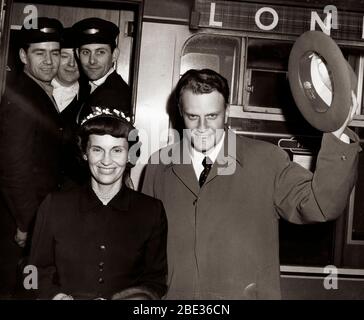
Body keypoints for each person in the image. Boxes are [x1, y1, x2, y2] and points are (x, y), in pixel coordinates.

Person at [141, 68, 361, 299]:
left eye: (212, 116)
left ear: (226, 113)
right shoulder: (158, 167)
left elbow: (320, 205)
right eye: (193, 117)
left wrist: (337, 135)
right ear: (180, 113)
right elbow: (145, 248)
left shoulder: (267, 160)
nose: (202, 128)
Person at [29, 107, 168, 300]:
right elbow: (31, 272)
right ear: (85, 153)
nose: (106, 161)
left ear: (130, 155)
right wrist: (53, 296)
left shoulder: (151, 211)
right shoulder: (55, 206)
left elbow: (156, 281)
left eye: (117, 150)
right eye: (97, 150)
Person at [0, 17, 64, 298]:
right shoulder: (22, 97)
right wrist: (26, 224)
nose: (50, 61)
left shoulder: (37, 90)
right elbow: (13, 168)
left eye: (55, 52)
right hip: (19, 225)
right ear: (24, 56)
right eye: (40, 53)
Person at [72, 17, 132, 120]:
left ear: (114, 55)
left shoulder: (118, 96)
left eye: (100, 52)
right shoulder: (85, 86)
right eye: (86, 52)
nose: (92, 61)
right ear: (77, 54)